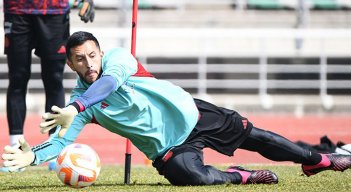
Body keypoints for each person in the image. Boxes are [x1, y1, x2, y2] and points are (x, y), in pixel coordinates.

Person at [2, 31, 351, 185]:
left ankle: (318, 161)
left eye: (93, 55)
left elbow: (109, 83)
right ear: (72, 66)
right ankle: (240, 176)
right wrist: (33, 155)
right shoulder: (83, 106)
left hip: (193, 115)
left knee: (257, 137)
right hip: (169, 149)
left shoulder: (119, 60)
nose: (89, 63)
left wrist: (76, 105)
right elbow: (62, 141)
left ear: (101, 53)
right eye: (81, 60)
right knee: (192, 178)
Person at [3, 1, 94, 148]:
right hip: (17, 10)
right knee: (17, 79)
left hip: (54, 11)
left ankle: (53, 147)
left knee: (54, 80)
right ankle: (15, 148)